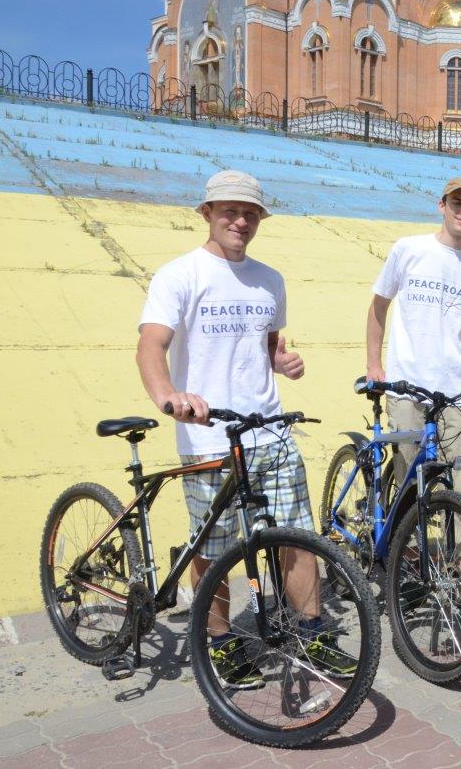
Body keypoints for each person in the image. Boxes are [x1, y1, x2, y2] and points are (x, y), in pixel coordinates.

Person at [137, 170, 349, 684]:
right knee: (214, 550)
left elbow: (267, 343)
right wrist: (169, 395)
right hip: (209, 437)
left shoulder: (270, 279)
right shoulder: (179, 275)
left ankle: (313, 633)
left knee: (295, 538)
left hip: (270, 431)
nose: (240, 220)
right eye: (230, 210)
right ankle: (221, 642)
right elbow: (151, 346)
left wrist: (283, 360)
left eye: (250, 212)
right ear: (207, 213)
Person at [366, 177, 461, 519]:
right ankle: (407, 554)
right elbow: (379, 306)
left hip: (458, 391)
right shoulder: (409, 249)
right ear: (442, 206)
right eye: (458, 203)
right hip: (407, 384)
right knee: (410, 482)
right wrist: (374, 363)